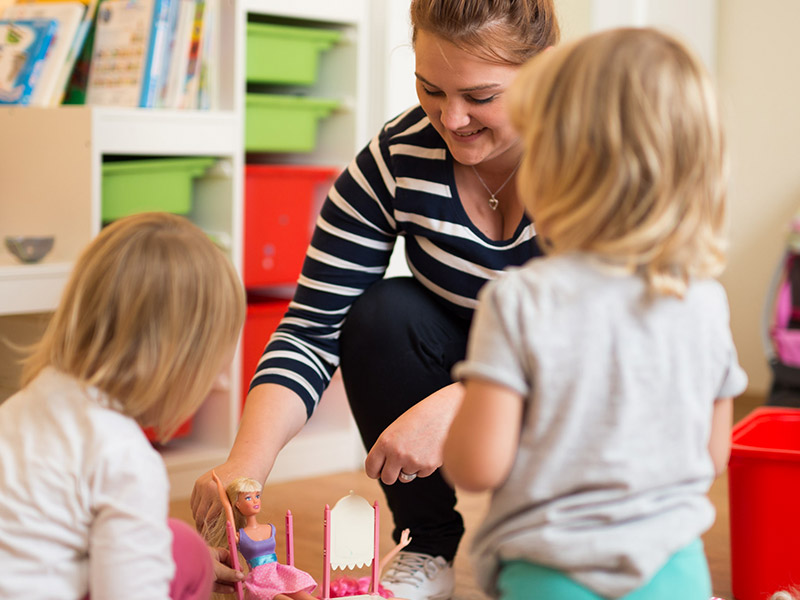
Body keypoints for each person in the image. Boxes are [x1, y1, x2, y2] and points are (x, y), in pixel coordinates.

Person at [191, 2, 558, 599]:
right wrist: (244, 465)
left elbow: (615, 338)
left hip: (575, 371)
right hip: (470, 351)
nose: (452, 117)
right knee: (380, 313)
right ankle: (426, 544)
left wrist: (467, 401)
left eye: (481, 96)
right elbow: (312, 327)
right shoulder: (394, 158)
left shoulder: (594, 160)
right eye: (430, 88)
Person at [442, 27, 749, 600]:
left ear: (558, 167)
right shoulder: (706, 299)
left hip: (551, 570)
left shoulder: (522, 299)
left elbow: (478, 465)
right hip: (676, 570)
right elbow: (711, 454)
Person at [0, 212, 246, 599]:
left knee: (181, 545)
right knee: (185, 553)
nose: (220, 382)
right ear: (170, 361)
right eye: (212, 368)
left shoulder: (22, 405)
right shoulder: (125, 457)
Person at [207, 473, 318, 600]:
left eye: (257, 496)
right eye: (248, 498)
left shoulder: (270, 528)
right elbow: (227, 506)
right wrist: (220, 485)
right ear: (237, 504)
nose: (255, 501)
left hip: (278, 574)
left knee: (305, 597)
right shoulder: (239, 536)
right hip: (260, 582)